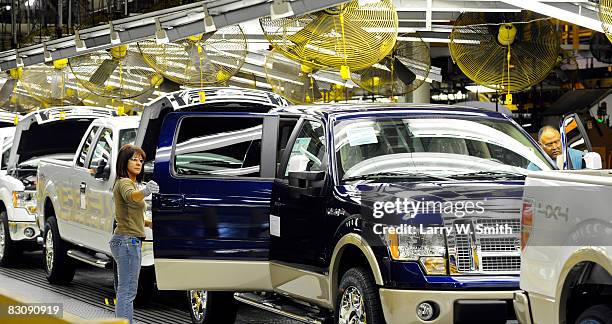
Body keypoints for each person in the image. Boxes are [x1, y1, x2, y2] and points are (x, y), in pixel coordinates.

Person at [109, 144, 159, 324]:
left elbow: (128, 213)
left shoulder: (127, 182)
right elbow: (132, 197)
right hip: (128, 242)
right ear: (124, 161)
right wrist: (146, 191)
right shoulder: (125, 182)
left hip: (124, 239)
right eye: (133, 159)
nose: (138, 163)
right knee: (127, 291)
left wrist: (148, 223)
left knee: (125, 290)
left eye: (141, 160)